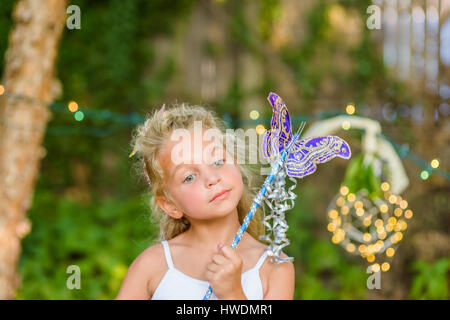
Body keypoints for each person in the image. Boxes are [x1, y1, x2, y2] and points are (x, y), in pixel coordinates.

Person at [115, 103, 294, 300]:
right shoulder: (151, 266)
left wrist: (233, 294)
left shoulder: (275, 267)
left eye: (217, 162)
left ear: (235, 163)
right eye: (189, 177)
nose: (212, 178)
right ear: (170, 205)